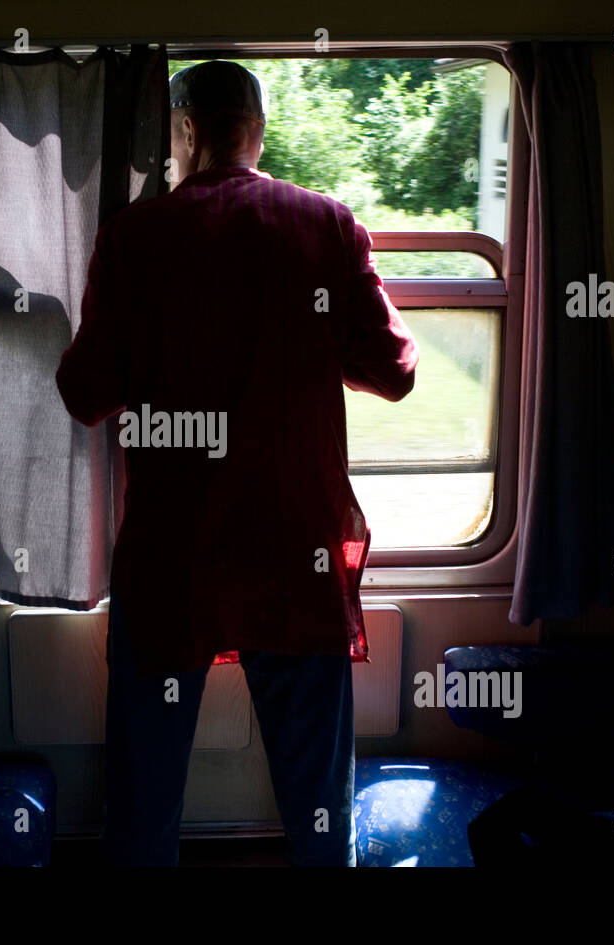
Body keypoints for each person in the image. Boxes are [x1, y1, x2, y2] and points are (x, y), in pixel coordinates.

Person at [56, 60, 418, 866]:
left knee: (143, 800)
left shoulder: (133, 237)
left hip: (171, 552)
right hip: (296, 547)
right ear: (257, 131)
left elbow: (85, 394)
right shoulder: (326, 224)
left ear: (184, 132)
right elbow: (396, 372)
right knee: (317, 800)